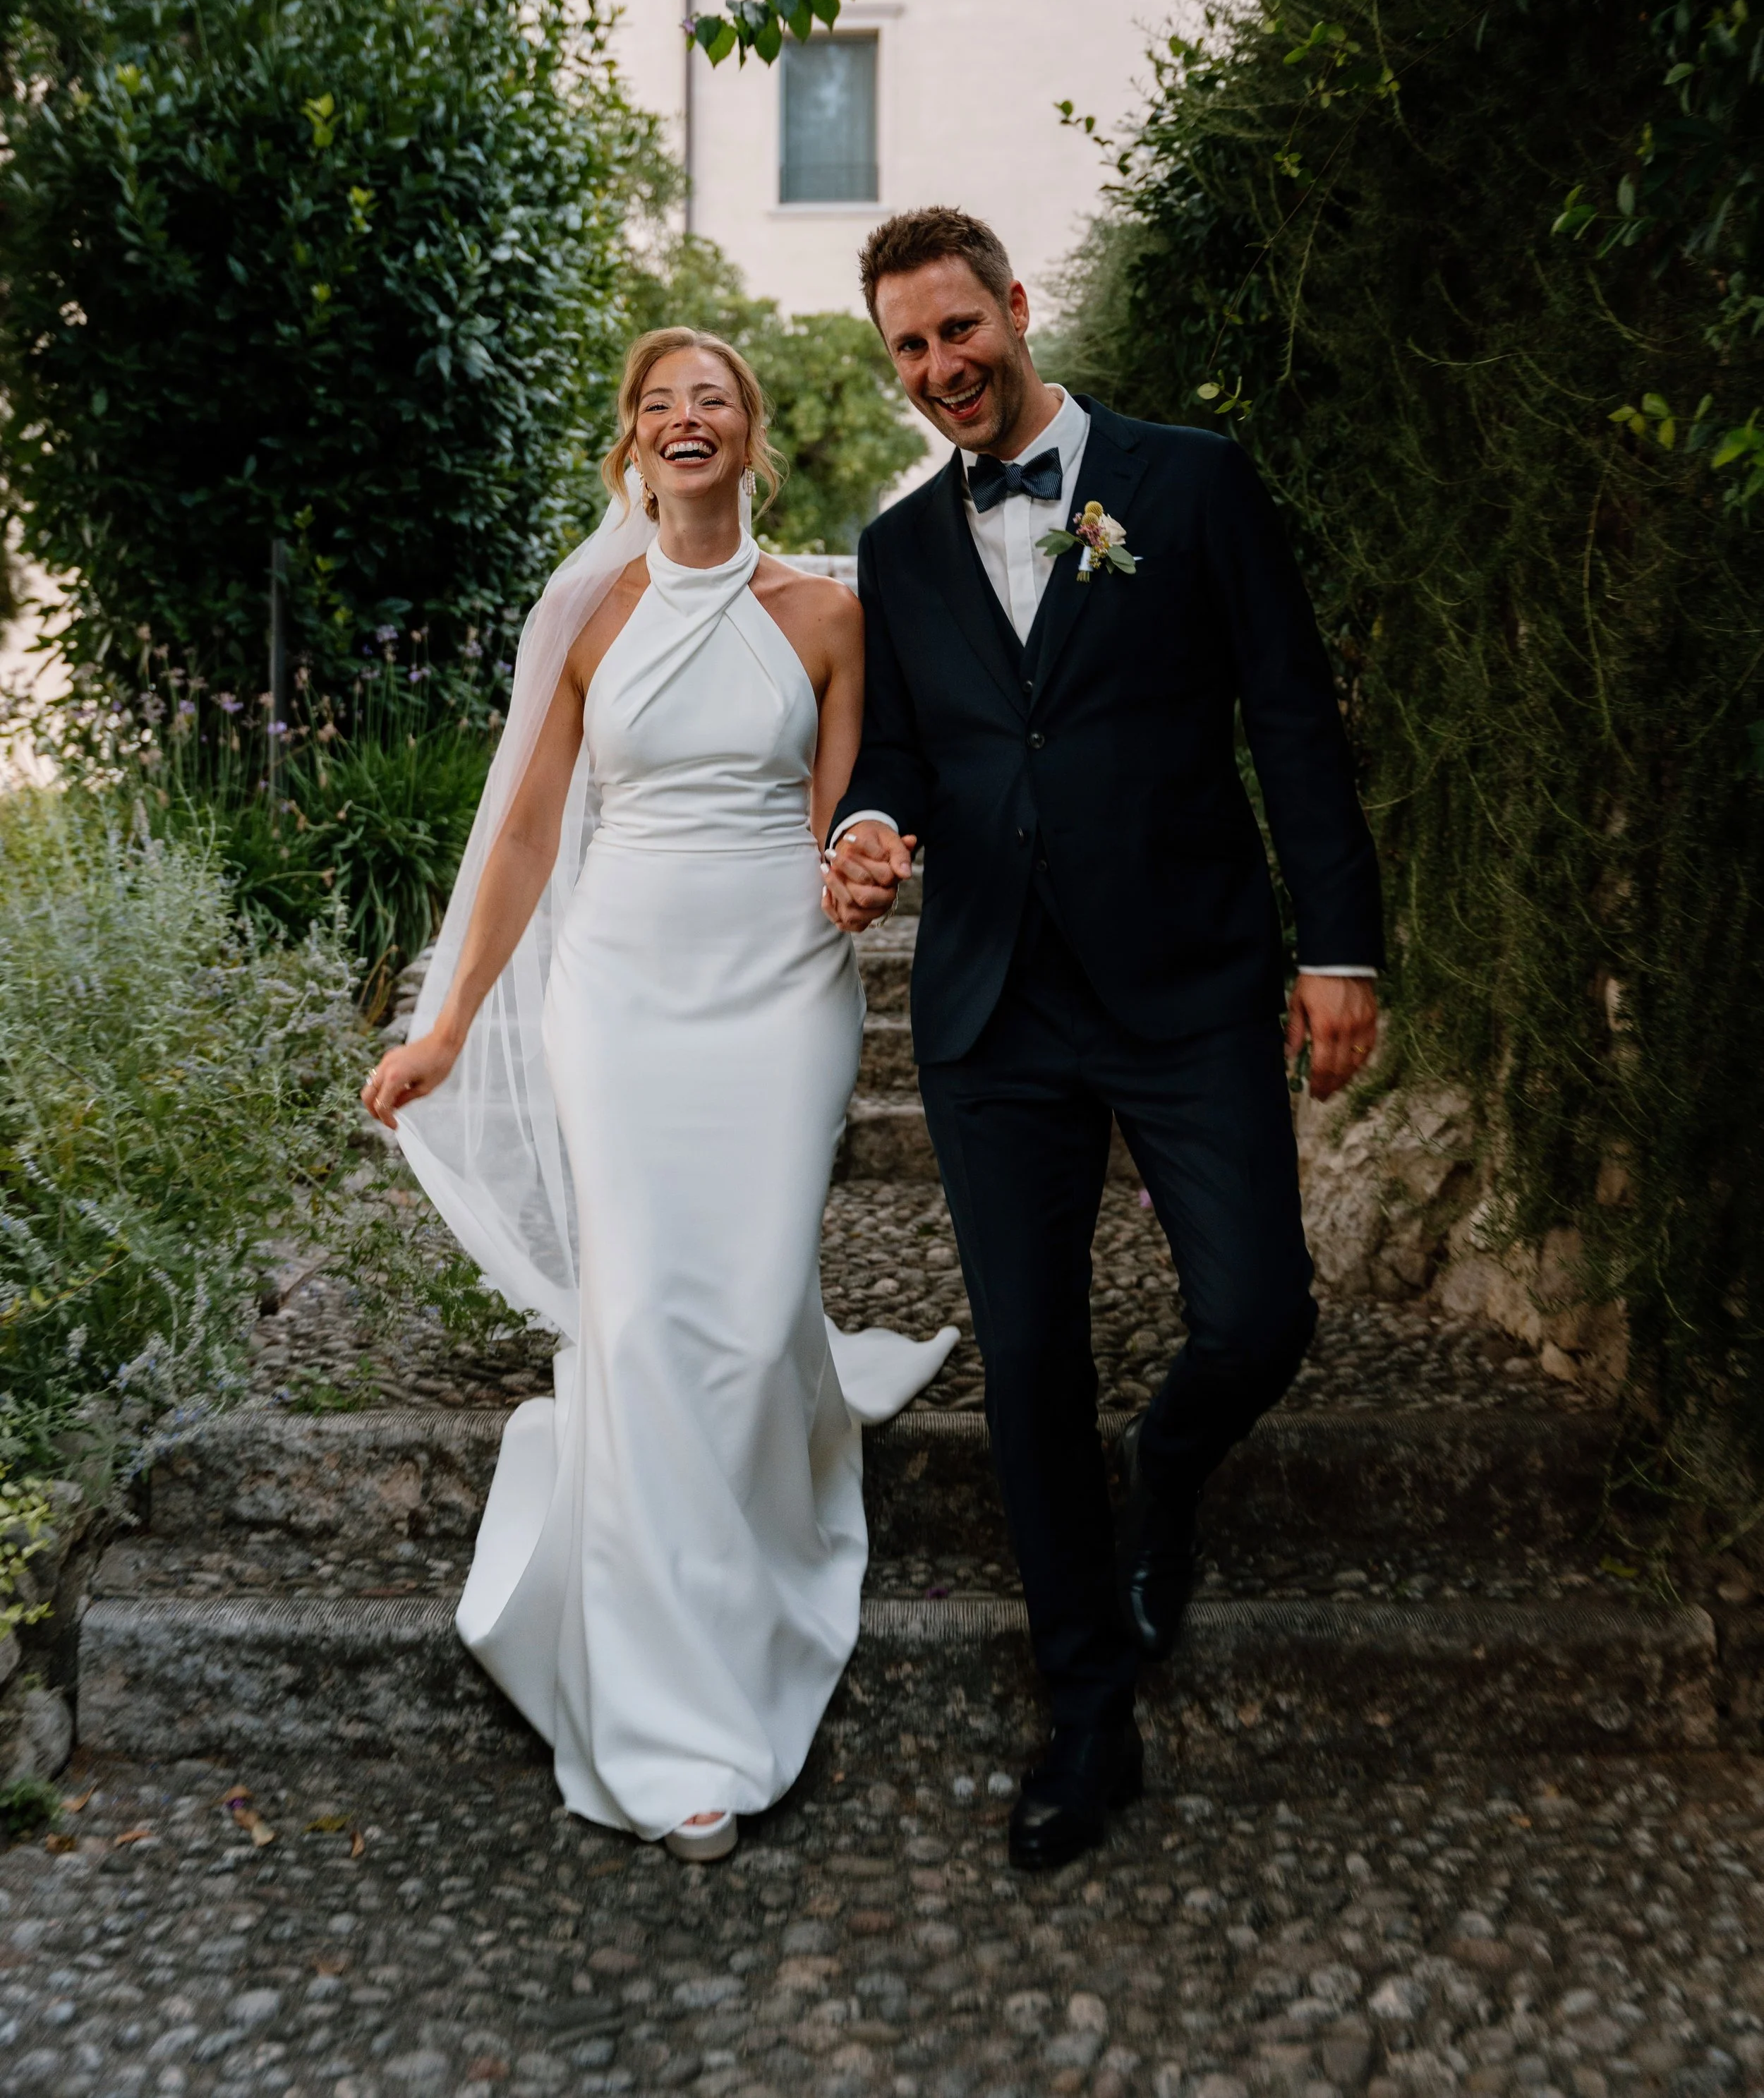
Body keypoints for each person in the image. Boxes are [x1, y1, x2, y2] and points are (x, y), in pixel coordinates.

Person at [822, 207, 1383, 1873]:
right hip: (992, 1011)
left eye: (956, 331)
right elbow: (903, 756)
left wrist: (1333, 943)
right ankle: (1083, 1713)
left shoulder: (1189, 479)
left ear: (1012, 303)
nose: (941, 372)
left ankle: (1171, 1460)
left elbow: (1287, 713)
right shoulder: (899, 546)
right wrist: (861, 825)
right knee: (1028, 1361)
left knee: (1256, 1309)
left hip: (1188, 979)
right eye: (908, 352)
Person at [363, 328, 956, 1863]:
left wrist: (864, 871)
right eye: (656, 404)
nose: (683, 421)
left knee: (751, 1315)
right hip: (616, 991)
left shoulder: (829, 613)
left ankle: (769, 1500)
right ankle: (669, 1709)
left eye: (711, 400)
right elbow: (519, 841)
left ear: (750, 436)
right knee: (635, 1319)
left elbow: (845, 818)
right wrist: (443, 1026)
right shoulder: (586, 613)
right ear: (629, 445)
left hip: (774, 997)